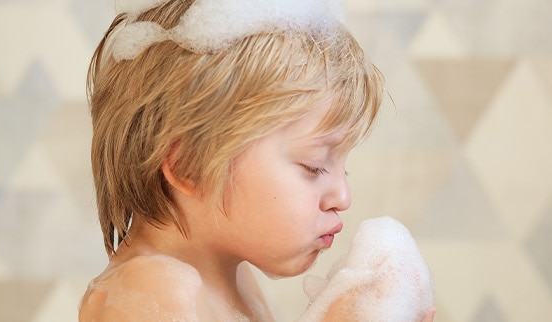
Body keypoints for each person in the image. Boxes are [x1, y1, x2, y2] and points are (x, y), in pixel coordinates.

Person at [77, 0, 435, 320]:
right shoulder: (153, 290)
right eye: (313, 166)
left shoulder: (230, 281)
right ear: (189, 165)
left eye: (344, 167)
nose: (343, 197)